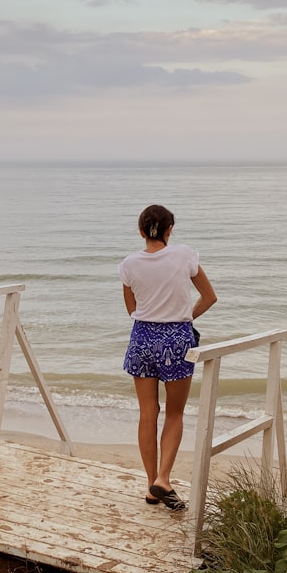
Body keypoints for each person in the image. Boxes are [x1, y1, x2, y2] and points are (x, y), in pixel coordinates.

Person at [119, 205, 217, 511]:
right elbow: (210, 297)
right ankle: (162, 478)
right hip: (176, 339)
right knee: (175, 413)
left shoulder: (129, 264)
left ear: (140, 231)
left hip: (142, 338)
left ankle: (153, 487)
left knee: (148, 413)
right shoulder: (184, 254)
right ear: (169, 230)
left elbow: (132, 310)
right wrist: (184, 317)